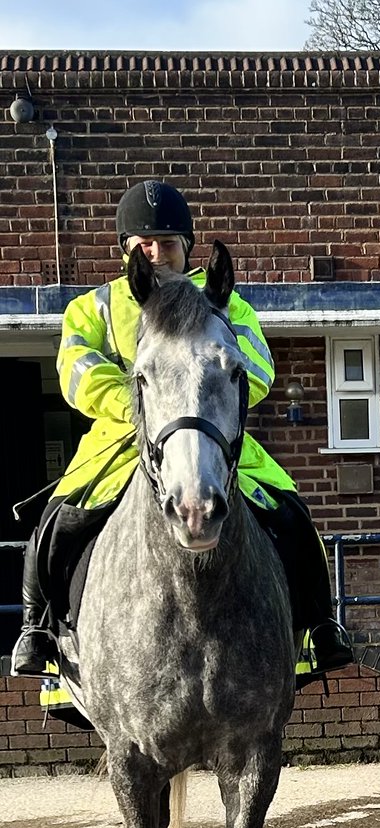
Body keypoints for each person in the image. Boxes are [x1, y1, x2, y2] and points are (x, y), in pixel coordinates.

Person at [11, 179, 352, 680]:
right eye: (144, 245)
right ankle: (36, 628)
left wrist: (205, 406)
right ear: (127, 251)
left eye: (167, 243)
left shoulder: (225, 306)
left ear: (187, 246)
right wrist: (141, 409)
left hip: (213, 439)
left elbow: (255, 366)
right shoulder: (93, 308)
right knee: (56, 523)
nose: (156, 253)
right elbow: (76, 368)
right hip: (120, 443)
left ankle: (322, 625)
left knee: (293, 516)